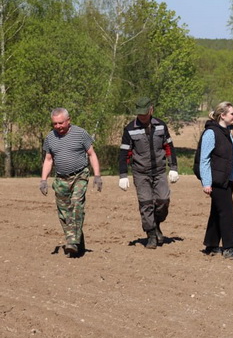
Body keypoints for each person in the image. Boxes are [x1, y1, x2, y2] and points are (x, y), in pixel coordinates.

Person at [39, 108, 103, 257]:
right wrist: (43, 180)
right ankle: (78, 241)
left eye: (61, 123)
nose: (58, 126)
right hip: (61, 179)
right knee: (64, 212)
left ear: (69, 120)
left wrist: (97, 176)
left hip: (79, 175)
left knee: (76, 205)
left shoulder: (81, 134)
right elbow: (48, 160)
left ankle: (72, 242)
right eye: (55, 124)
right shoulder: (50, 138)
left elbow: (92, 154)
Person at [118, 97, 180, 249]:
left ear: (151, 109)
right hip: (141, 173)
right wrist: (123, 175)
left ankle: (156, 224)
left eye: (145, 113)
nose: (142, 117)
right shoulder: (130, 129)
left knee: (163, 200)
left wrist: (173, 168)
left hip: (159, 171)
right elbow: (124, 153)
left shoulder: (161, 126)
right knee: (146, 203)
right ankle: (151, 234)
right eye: (139, 114)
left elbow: (169, 147)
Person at [198, 102, 233, 260]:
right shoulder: (211, 133)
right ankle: (229, 247)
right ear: (222, 115)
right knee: (226, 211)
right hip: (217, 180)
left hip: (229, 179)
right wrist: (206, 182)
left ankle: (211, 245)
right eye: (231, 113)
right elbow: (204, 159)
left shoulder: (231, 132)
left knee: (217, 211)